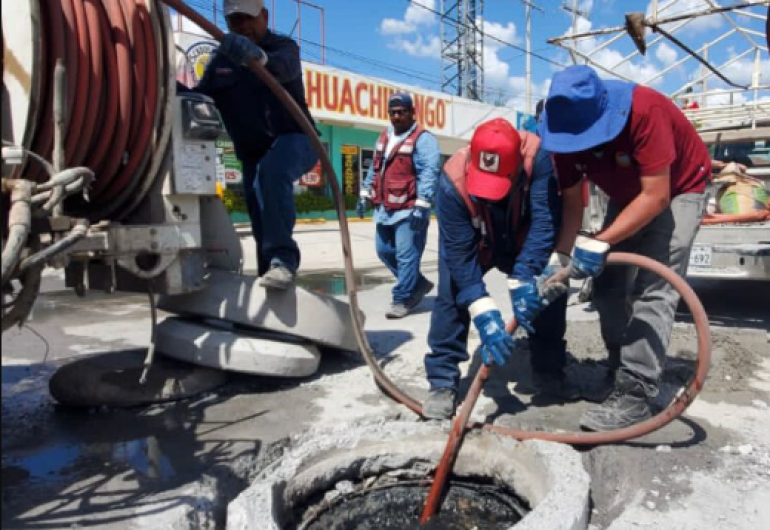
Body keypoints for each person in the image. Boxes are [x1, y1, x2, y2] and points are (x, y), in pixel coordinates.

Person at [538, 65, 710, 431]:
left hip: (678, 188)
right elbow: (572, 202)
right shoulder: (563, 127)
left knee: (655, 285)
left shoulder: (646, 111)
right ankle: (619, 366)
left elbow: (657, 195)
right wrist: (562, 258)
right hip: (629, 193)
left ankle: (636, 392)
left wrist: (601, 240)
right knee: (608, 284)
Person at [422, 118, 573, 420]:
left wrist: (525, 275)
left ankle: (548, 369)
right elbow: (461, 260)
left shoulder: (539, 159)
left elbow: (546, 221)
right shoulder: (452, 181)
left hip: (524, 237)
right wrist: (484, 313)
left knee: (549, 290)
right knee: (452, 293)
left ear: (518, 167)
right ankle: (442, 380)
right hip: (478, 240)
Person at [196, 0, 318, 289]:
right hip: (253, 154)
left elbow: (284, 67)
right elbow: (200, 97)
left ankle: (283, 261)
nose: (242, 26)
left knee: (272, 172)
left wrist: (259, 58)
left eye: (248, 19)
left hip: (296, 139)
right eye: (235, 21)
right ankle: (272, 277)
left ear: (264, 16)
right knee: (260, 213)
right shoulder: (221, 61)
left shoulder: (284, 47)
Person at [360, 93, 441, 319]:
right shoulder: (384, 137)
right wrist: (365, 193)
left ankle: (402, 299)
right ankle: (417, 283)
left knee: (407, 255)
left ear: (411, 112)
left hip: (410, 208)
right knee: (384, 250)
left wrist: (423, 203)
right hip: (385, 208)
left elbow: (429, 172)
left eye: (401, 112)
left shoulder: (423, 139)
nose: (397, 116)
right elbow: (374, 169)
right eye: (393, 112)